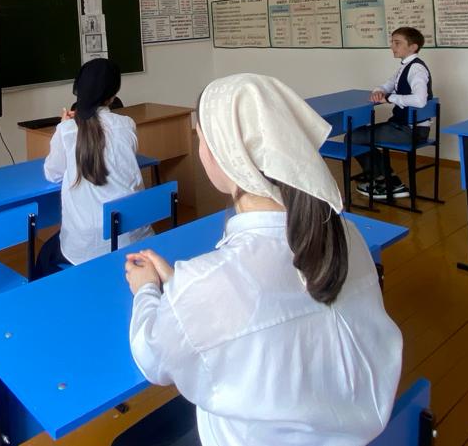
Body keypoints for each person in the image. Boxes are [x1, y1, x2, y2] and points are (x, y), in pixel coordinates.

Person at [124, 74, 403, 445]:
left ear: (224, 154)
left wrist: (147, 290)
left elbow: (153, 360)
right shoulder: (344, 233)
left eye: (201, 140)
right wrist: (180, 287)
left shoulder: (214, 280)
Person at [39, 59, 152, 275]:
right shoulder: (127, 124)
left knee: (44, 254)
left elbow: (52, 174)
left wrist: (64, 126)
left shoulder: (67, 130)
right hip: (133, 238)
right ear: (113, 96)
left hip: (85, 246)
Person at [353, 26, 433, 200]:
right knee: (358, 135)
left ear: (413, 47)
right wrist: (378, 91)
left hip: (410, 131)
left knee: (354, 138)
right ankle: (387, 179)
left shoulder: (416, 69)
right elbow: (387, 85)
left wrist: (390, 98)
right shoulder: (405, 66)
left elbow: (420, 100)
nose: (392, 46)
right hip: (403, 126)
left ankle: (387, 183)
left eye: (397, 43)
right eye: (392, 42)